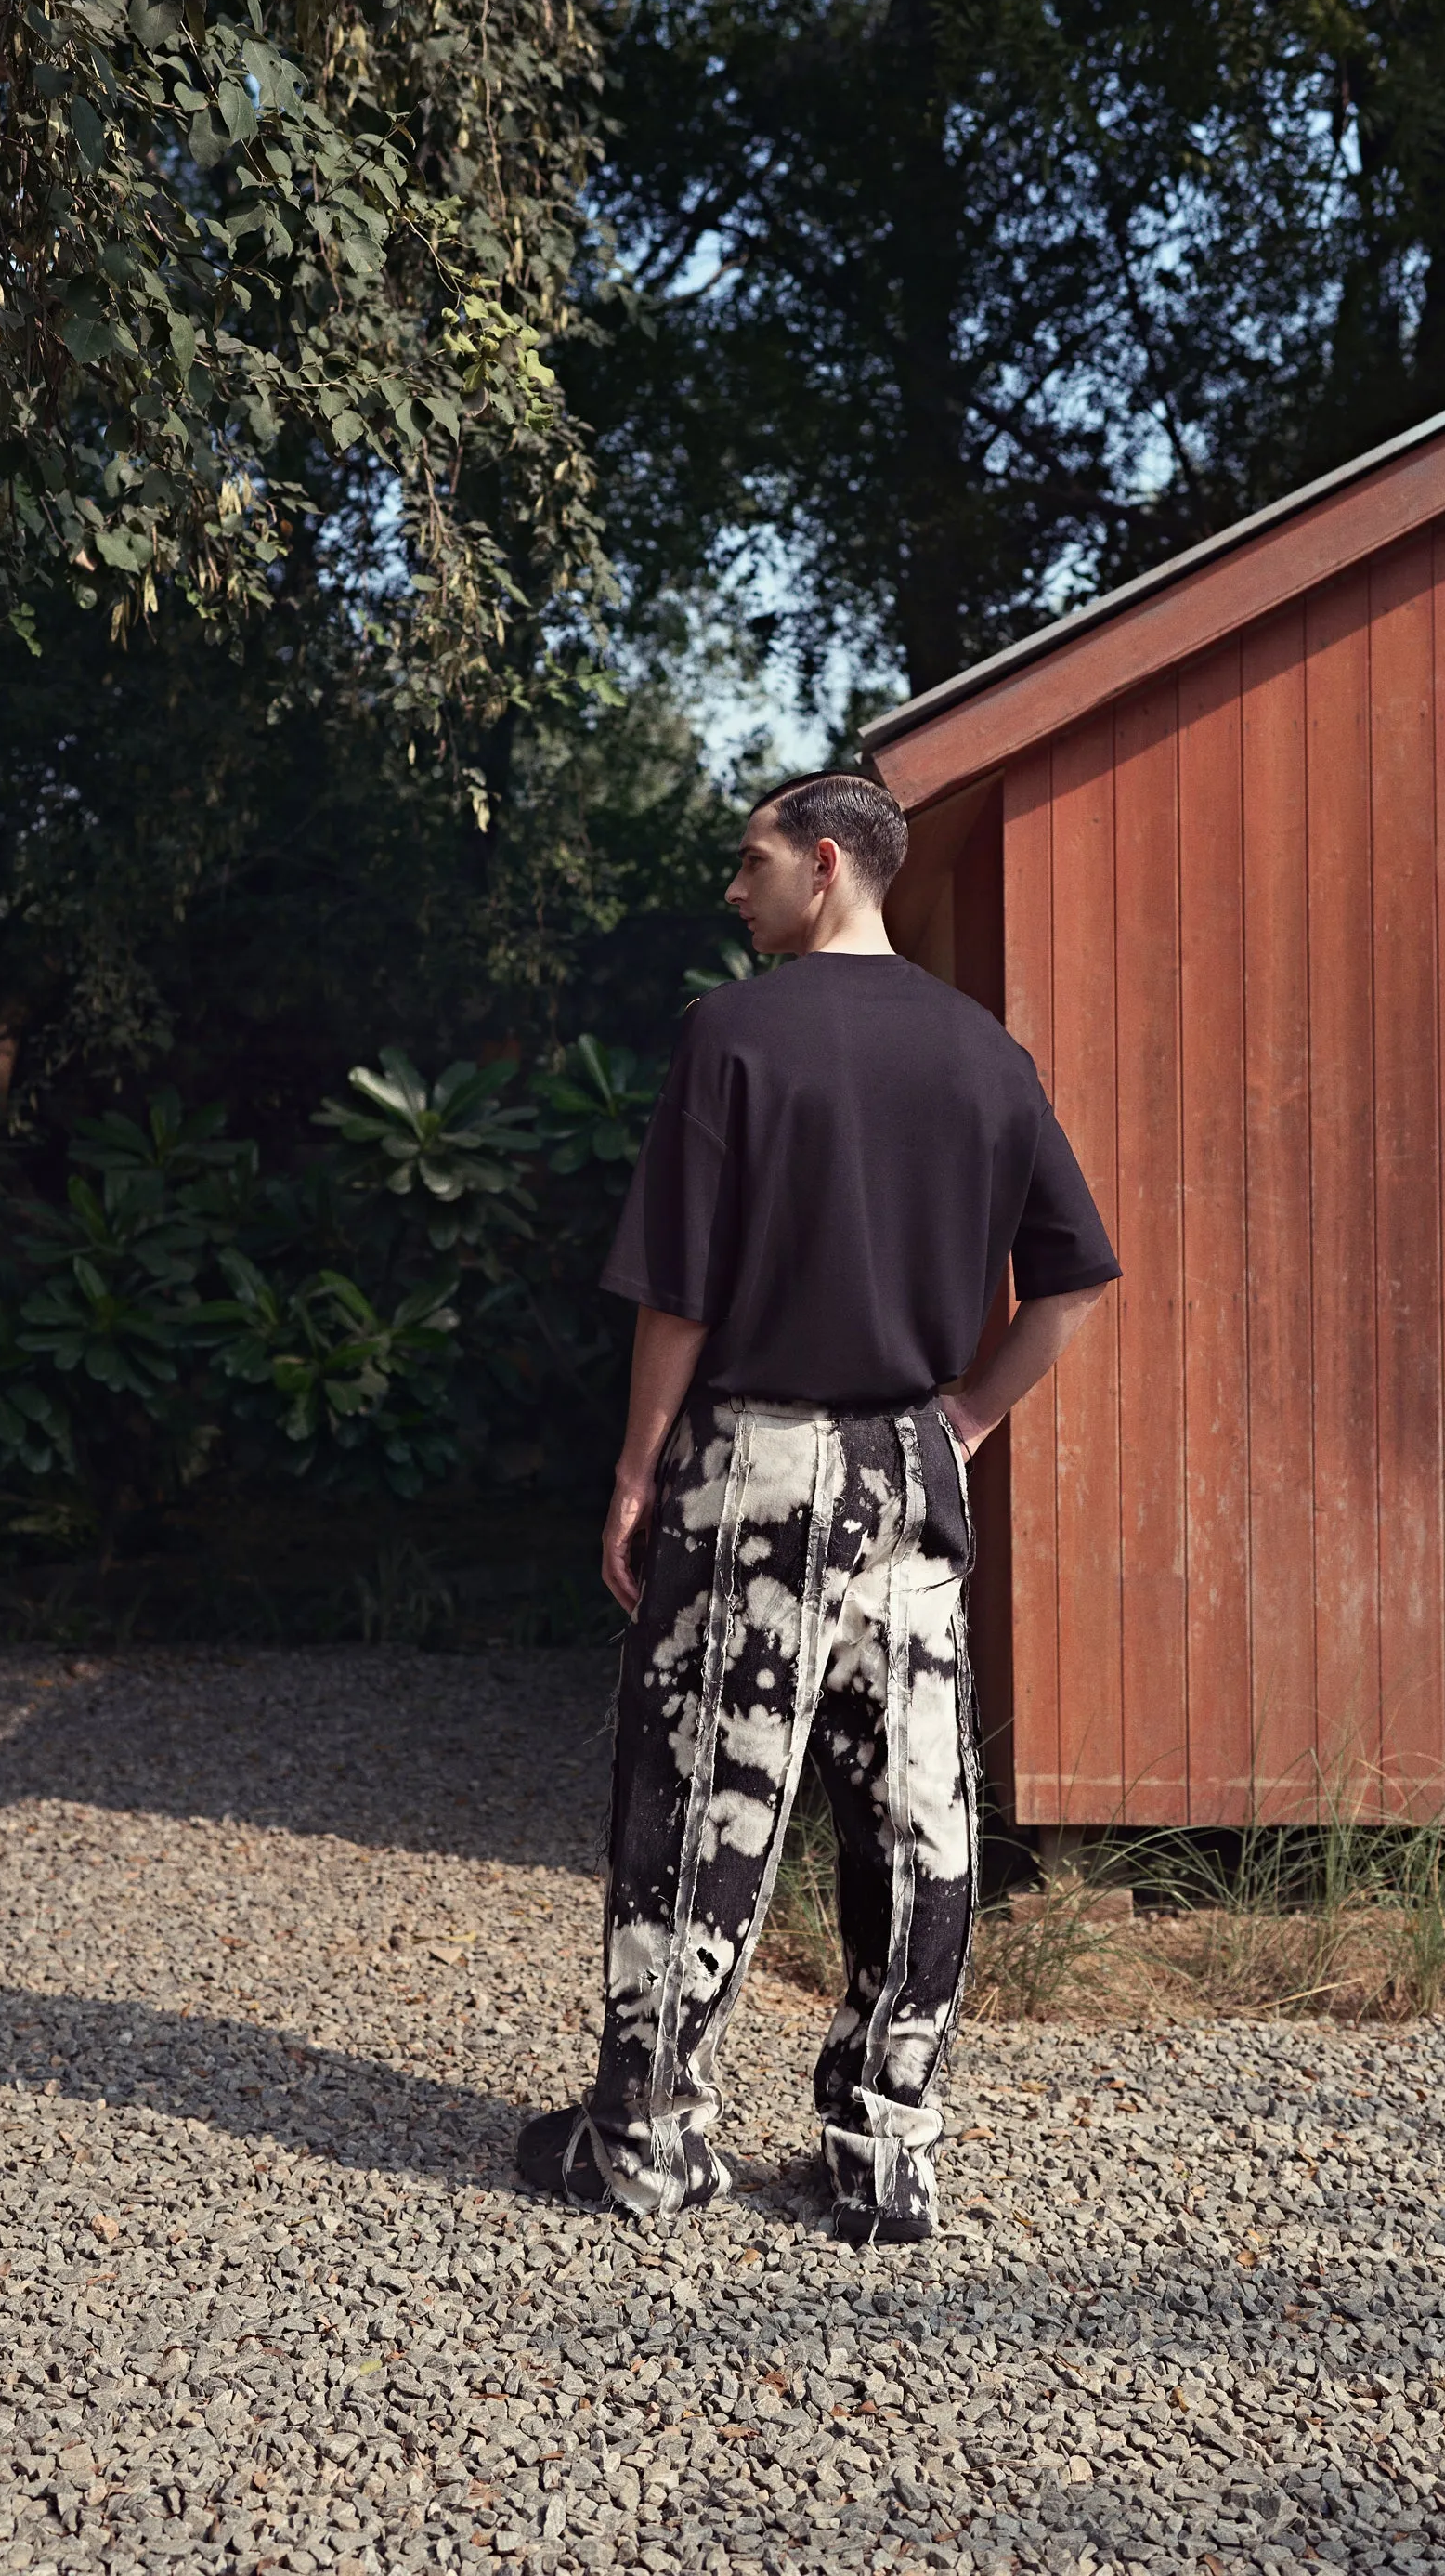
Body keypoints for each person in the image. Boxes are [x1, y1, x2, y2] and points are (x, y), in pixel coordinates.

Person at [515, 769, 1120, 2244]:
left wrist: (636, 1466)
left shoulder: (734, 1033)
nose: (737, 891)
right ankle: (883, 2155)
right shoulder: (988, 1055)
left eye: (753, 862)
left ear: (829, 864)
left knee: (702, 1797)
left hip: (758, 1466)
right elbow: (1080, 1280)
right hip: (913, 1465)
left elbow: (679, 1292)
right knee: (917, 1811)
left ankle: (649, 2145)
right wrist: (963, 1418)